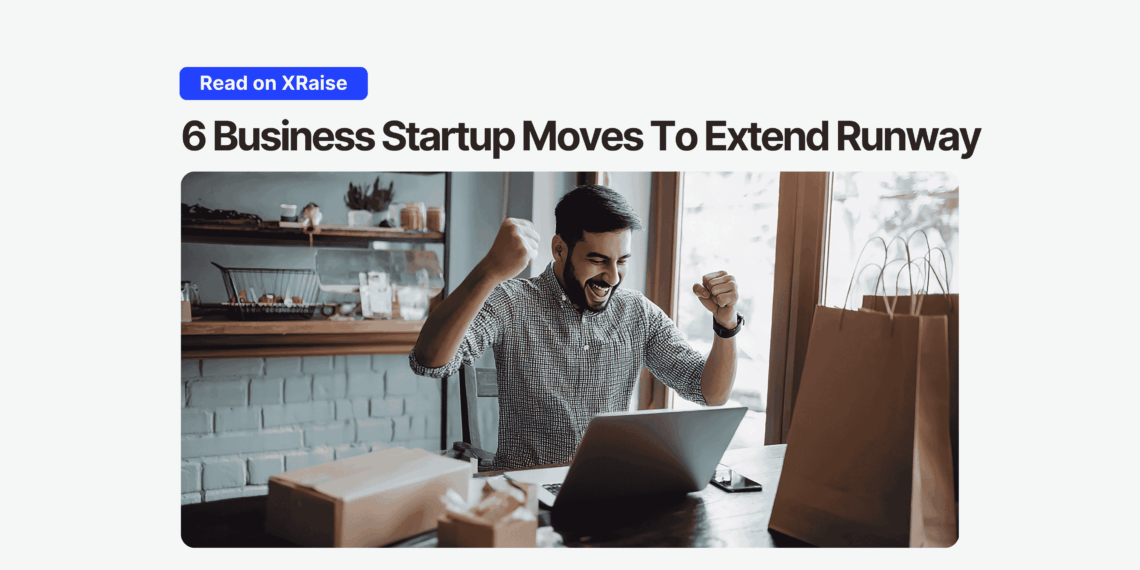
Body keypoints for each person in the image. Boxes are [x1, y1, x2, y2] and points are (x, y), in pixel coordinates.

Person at [409, 185, 743, 470]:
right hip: (528, 498)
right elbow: (428, 363)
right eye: (598, 260)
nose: (612, 278)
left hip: (609, 493)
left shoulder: (637, 312)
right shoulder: (511, 301)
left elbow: (710, 393)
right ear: (559, 249)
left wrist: (725, 324)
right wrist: (490, 271)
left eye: (621, 261)